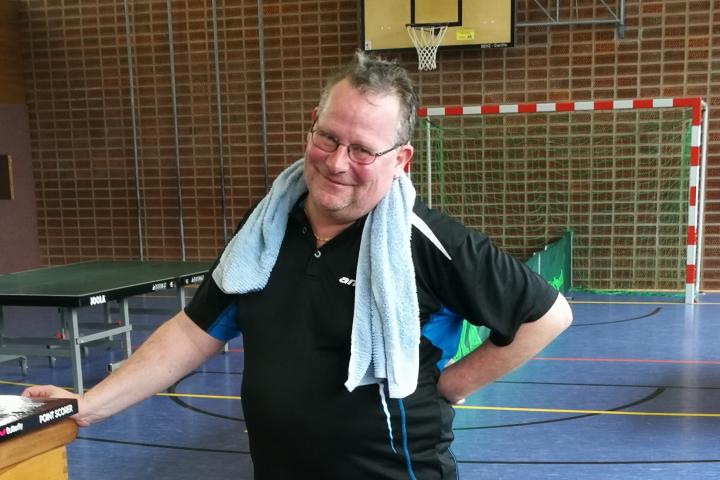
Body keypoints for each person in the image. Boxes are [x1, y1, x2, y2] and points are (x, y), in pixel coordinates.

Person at [24, 52, 572, 479]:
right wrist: (88, 405)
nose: (337, 162)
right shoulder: (263, 230)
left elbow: (547, 315)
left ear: (400, 160)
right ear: (312, 124)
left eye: (363, 150)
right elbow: (194, 331)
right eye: (328, 137)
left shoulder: (425, 242)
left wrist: (450, 385)